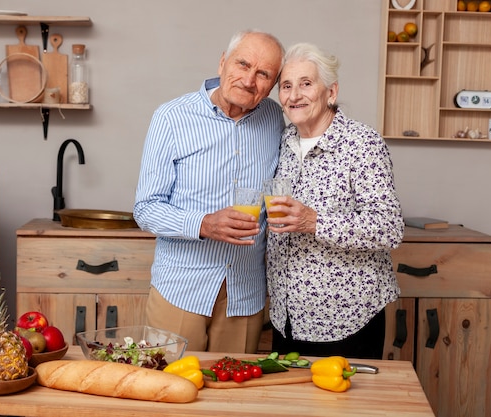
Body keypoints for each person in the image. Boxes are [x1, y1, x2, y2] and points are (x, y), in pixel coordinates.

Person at [133, 30, 285, 353]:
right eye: (242, 64)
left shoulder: (275, 120)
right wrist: (203, 224)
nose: (249, 80)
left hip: (245, 294)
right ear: (222, 62)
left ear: (273, 85)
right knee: (168, 388)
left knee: (233, 397)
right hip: (180, 289)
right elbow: (145, 208)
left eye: (263, 74)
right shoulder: (171, 118)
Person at [265, 42, 404, 359]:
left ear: (331, 92)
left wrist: (313, 222)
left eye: (306, 83)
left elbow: (389, 228)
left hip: (346, 319)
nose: (294, 95)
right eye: (286, 86)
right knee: (290, 407)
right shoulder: (284, 141)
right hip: (286, 316)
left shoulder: (361, 143)